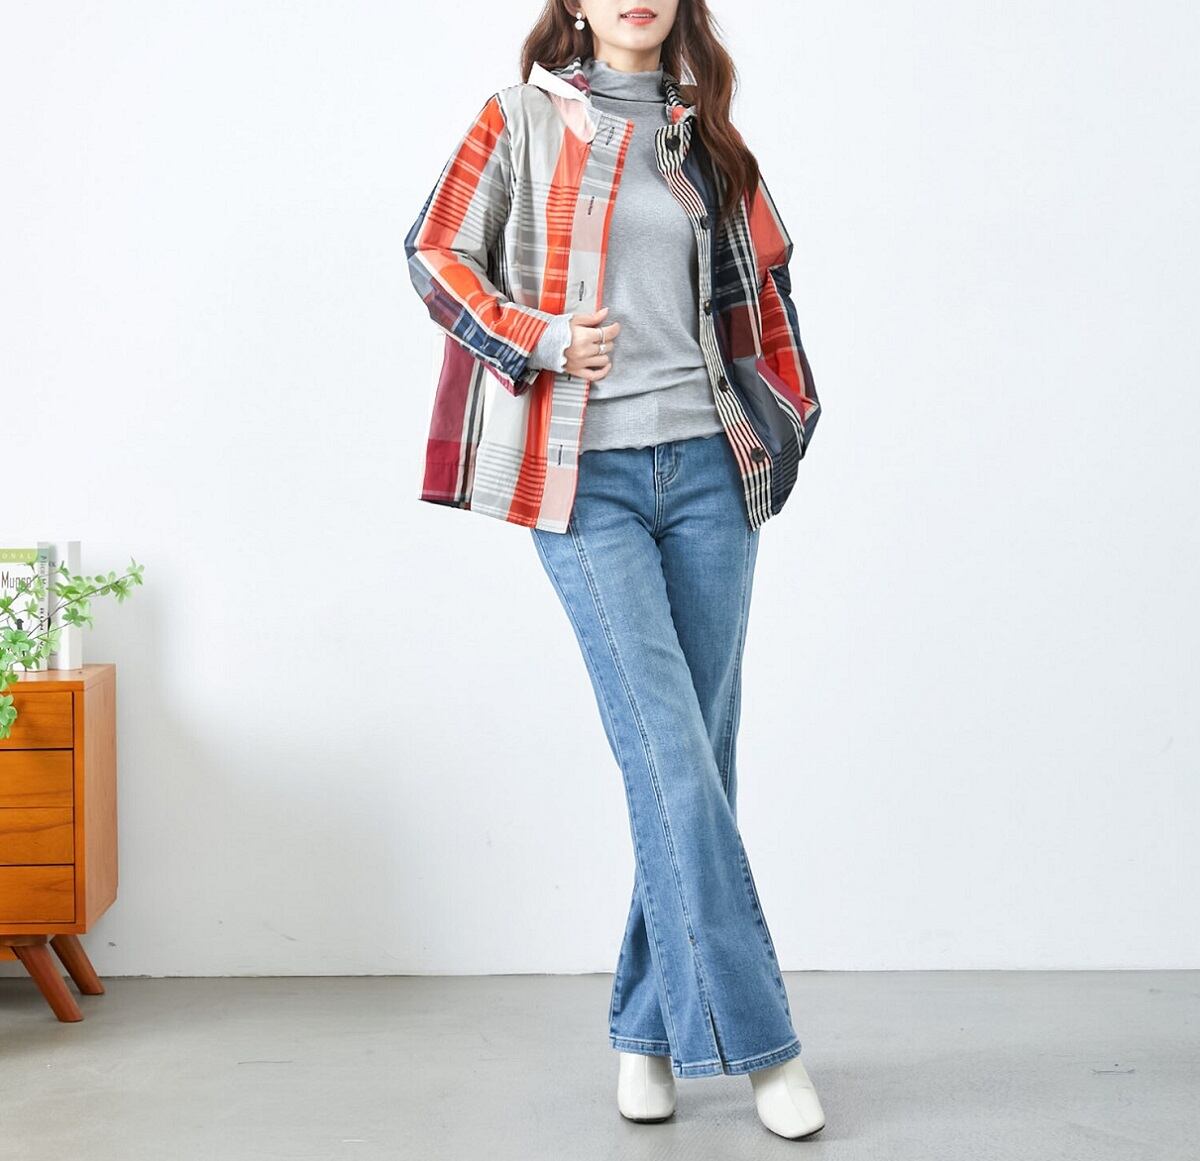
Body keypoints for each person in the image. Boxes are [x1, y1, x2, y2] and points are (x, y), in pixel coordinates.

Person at [404, 0, 824, 1140]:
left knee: (698, 763)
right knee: (670, 758)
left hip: (710, 475)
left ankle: (645, 1032)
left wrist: (785, 415)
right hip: (583, 481)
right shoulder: (520, 120)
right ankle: (766, 1050)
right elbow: (434, 254)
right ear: (576, 6)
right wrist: (539, 338)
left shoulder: (708, 136)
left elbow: (765, 289)